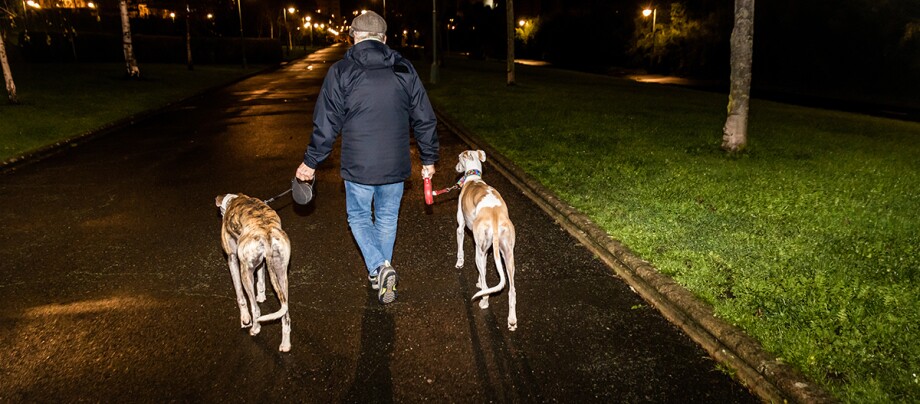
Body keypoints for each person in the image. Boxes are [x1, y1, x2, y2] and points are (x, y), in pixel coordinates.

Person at [295, 10, 439, 305]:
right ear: (383, 39)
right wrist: (429, 158)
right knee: (387, 218)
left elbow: (327, 122)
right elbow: (424, 118)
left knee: (359, 217)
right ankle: (382, 271)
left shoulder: (341, 72)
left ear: (354, 37)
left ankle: (380, 267)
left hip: (358, 166)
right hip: (395, 166)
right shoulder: (404, 69)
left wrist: (310, 162)